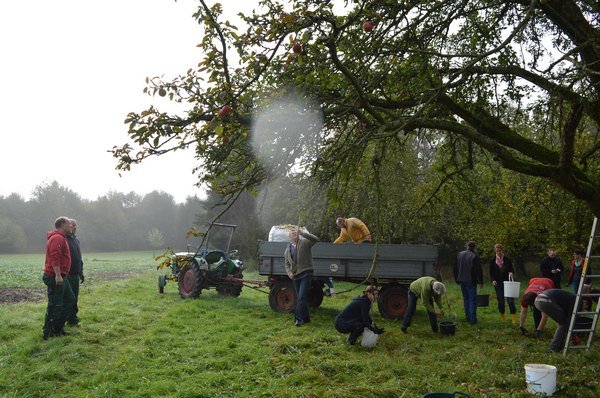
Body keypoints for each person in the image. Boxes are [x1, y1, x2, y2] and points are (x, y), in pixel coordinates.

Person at [42, 216, 75, 339]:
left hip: (61, 276)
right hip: (55, 277)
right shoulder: (56, 238)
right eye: (69, 224)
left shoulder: (61, 238)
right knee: (55, 304)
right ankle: (49, 332)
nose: (71, 226)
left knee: (69, 300)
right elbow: (54, 257)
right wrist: (58, 275)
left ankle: (58, 328)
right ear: (62, 225)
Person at [284, 227, 319, 326]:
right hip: (295, 276)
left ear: (298, 234)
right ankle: (306, 318)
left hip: (306, 273)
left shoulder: (305, 242)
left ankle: (298, 319)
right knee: (300, 298)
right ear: (290, 236)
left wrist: (303, 233)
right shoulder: (287, 249)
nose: (294, 232)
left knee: (301, 298)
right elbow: (286, 264)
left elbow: (315, 239)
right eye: (292, 232)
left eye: (295, 231)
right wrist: (289, 273)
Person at [454, 241, 483, 324]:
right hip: (471, 281)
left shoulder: (459, 254)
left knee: (466, 299)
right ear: (474, 247)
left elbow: (455, 268)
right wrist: (480, 281)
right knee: (472, 300)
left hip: (461, 280)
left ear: (467, 246)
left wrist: (457, 279)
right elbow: (478, 270)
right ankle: (473, 319)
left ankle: (467, 317)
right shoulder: (474, 256)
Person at [488, 243, 517, 323]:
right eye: (497, 251)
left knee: (510, 300)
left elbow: (512, 269)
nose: (499, 253)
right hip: (498, 283)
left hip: (508, 282)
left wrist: (511, 273)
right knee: (501, 300)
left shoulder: (507, 259)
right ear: (495, 251)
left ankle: (513, 317)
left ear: (502, 250)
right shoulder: (492, 260)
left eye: (500, 251)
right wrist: (493, 280)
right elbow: (491, 272)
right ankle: (503, 317)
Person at [66, 218, 84, 327]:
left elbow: (79, 258)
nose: (74, 227)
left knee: (74, 298)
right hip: (67, 274)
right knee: (69, 299)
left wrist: (81, 271)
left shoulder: (76, 240)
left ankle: (72, 320)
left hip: (76, 274)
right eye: (72, 225)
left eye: (75, 225)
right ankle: (68, 320)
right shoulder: (64, 240)